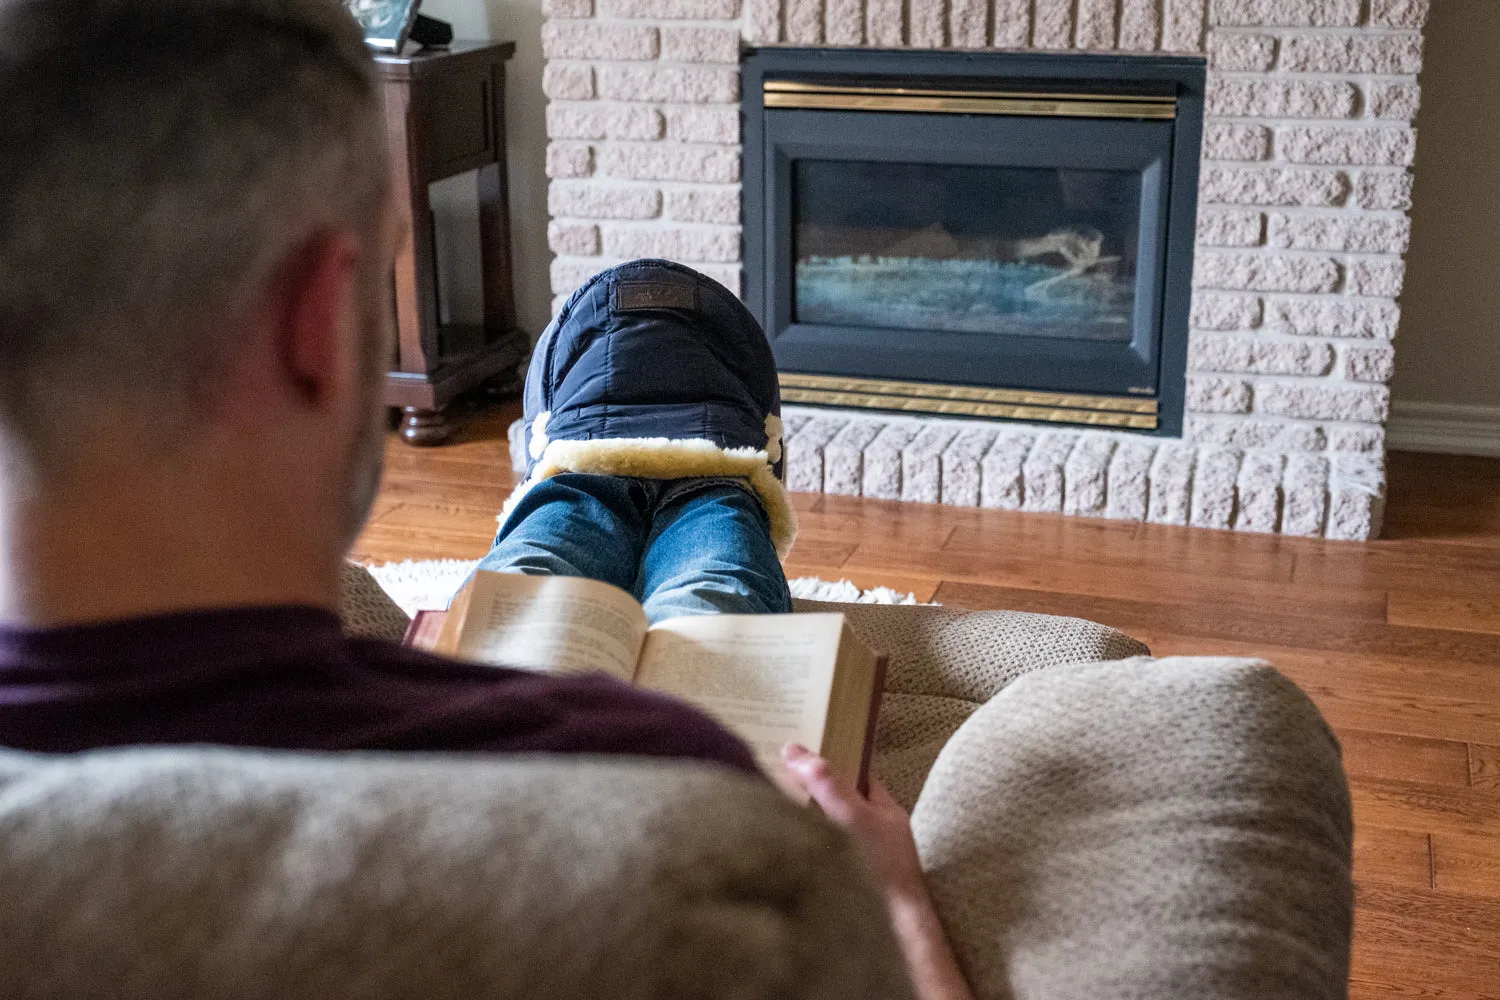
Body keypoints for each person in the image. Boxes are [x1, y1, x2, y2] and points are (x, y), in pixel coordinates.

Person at [0, 2, 971, 998]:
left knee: (544, 566)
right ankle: (690, 487)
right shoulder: (701, 838)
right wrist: (892, 900)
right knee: (706, 567)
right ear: (321, 318)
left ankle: (586, 491)